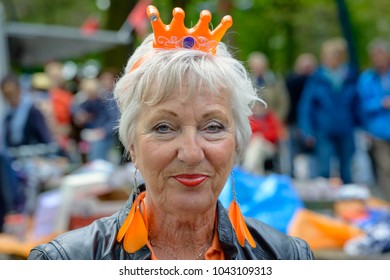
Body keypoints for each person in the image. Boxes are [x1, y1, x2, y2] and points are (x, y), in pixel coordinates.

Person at [28, 5, 313, 260]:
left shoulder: (286, 257)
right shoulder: (67, 261)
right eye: (163, 127)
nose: (190, 153)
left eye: (213, 127)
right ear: (132, 145)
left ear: (237, 142)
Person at [298, 38, 360, 184]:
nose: (331, 59)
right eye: (328, 56)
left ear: (341, 57)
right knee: (324, 168)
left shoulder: (350, 77)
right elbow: (306, 106)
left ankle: (347, 202)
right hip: (323, 129)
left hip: (346, 128)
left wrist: (362, 127)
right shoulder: (317, 78)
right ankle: (324, 202)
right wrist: (307, 130)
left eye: (334, 55)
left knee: (347, 170)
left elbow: (357, 104)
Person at [357, 39, 390, 201]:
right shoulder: (366, 78)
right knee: (385, 168)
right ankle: (387, 201)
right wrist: (381, 104)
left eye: (381, 55)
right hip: (378, 130)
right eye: (375, 56)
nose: (379, 59)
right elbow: (362, 105)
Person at [285, 53, 317, 178]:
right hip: (293, 121)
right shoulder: (291, 81)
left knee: (313, 152)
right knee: (293, 150)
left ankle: (313, 177)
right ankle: (292, 176)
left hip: (313, 123)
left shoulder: (317, 82)